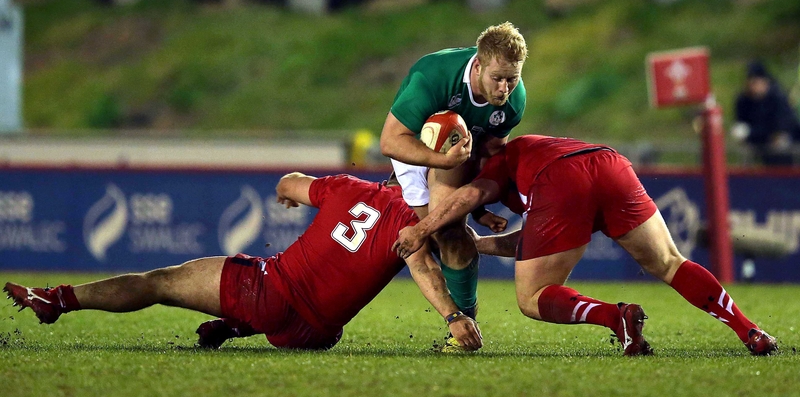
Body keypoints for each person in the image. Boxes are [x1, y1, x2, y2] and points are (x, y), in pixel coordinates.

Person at [4, 173, 483, 351]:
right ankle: (235, 327)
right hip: (313, 336)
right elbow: (424, 266)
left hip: (269, 293)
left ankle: (58, 299)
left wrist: (288, 196)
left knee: (159, 282)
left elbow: (288, 181)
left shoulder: (348, 188)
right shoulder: (416, 224)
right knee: (292, 304)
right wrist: (455, 317)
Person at [392, 135, 778, 356]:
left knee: (532, 298)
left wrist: (421, 229)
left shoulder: (501, 160)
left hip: (562, 180)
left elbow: (472, 194)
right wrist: (484, 244)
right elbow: (538, 243)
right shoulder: (538, 148)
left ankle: (615, 317)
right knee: (670, 262)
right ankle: (750, 331)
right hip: (610, 163)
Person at [379, 21, 527, 323]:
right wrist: (443, 161)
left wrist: (480, 206)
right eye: (497, 78)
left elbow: (491, 151)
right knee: (434, 238)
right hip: (412, 149)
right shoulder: (434, 75)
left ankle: (464, 324)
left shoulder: (514, 101)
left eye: (512, 79)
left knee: (449, 233)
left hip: (459, 157)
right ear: (477, 67)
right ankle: (461, 313)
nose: (504, 89)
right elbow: (390, 141)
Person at [732, 60, 800, 166]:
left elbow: (781, 129)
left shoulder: (778, 98)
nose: (753, 87)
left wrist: (751, 133)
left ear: (765, 82)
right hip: (759, 142)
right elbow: (741, 122)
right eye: (751, 82)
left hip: (784, 145)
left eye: (756, 82)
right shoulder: (744, 100)